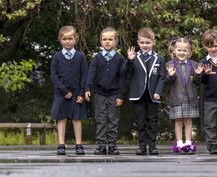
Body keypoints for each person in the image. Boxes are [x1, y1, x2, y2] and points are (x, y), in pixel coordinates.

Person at [85, 27, 125, 155]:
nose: (107, 42)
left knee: (113, 120)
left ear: (115, 41)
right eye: (104, 39)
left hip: (114, 94)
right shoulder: (97, 58)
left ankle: (112, 145)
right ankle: (101, 145)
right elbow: (91, 74)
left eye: (110, 39)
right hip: (99, 93)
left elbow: (122, 77)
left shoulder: (119, 58)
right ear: (101, 42)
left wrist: (120, 95)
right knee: (100, 119)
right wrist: (87, 88)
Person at [126, 27, 166, 155]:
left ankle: (152, 146)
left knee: (152, 121)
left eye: (148, 43)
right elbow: (126, 74)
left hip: (153, 94)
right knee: (141, 122)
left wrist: (158, 92)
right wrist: (129, 61)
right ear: (138, 42)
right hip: (138, 95)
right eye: (142, 43)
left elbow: (162, 77)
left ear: (153, 42)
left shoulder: (159, 58)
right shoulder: (133, 57)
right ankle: (142, 146)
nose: (145, 45)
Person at [50, 25, 87, 156]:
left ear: (75, 39)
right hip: (61, 93)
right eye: (64, 39)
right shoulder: (57, 57)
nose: (67, 41)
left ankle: (79, 144)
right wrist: (63, 91)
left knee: (77, 119)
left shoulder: (80, 57)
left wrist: (82, 92)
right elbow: (54, 76)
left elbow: (84, 76)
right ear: (60, 40)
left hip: (77, 93)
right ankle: (61, 145)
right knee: (61, 119)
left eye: (70, 38)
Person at [166, 36, 202, 154]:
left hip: (190, 97)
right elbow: (167, 83)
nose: (182, 53)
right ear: (174, 50)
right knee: (178, 121)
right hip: (176, 97)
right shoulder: (169, 64)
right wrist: (170, 75)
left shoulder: (194, 64)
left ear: (189, 52)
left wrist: (198, 75)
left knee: (188, 121)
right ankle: (179, 143)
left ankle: (188, 143)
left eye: (185, 50)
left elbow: (197, 82)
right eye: (179, 50)